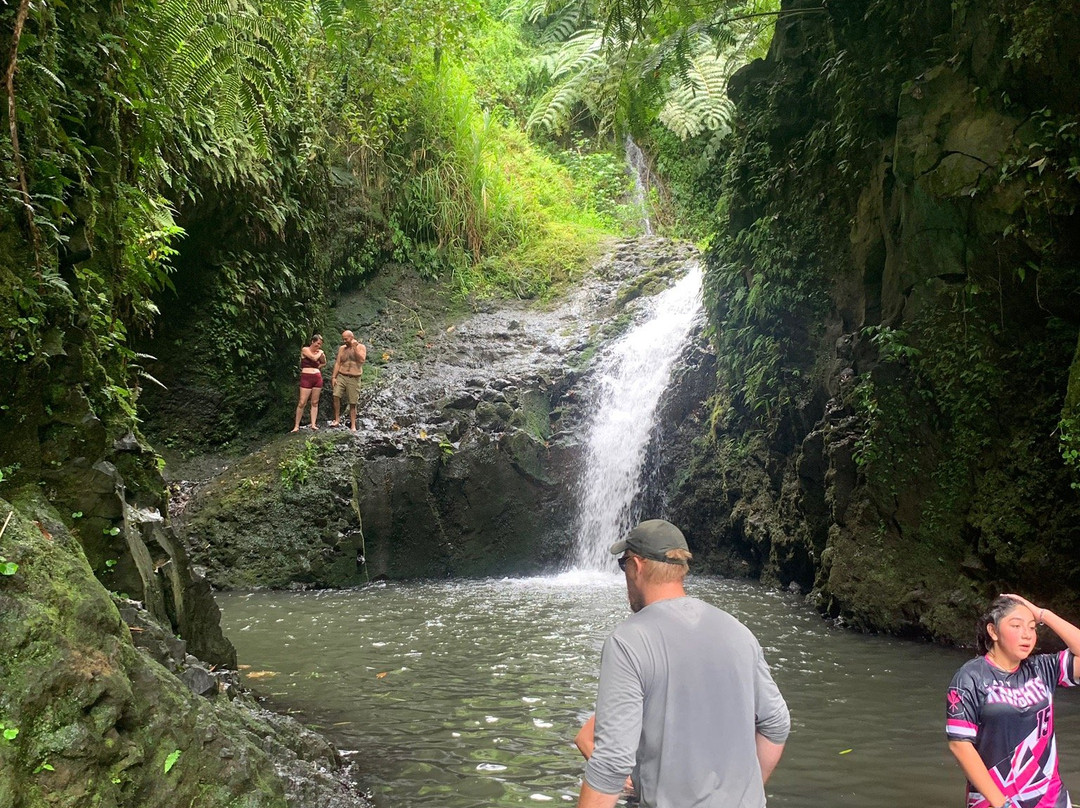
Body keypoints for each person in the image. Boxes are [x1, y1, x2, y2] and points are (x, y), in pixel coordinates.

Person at [576, 519, 790, 808]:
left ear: (637, 566)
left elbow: (612, 761)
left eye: (623, 564)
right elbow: (776, 724)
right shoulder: (738, 631)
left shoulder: (629, 641)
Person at [946, 594, 1080, 808]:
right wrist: (1001, 804)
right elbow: (959, 745)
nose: (1027, 635)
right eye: (1016, 626)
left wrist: (1042, 614)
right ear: (993, 631)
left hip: (1048, 796)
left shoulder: (1042, 668)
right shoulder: (970, 677)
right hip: (993, 800)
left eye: (1032, 627)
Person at [329, 329, 366, 431]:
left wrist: (354, 348)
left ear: (351, 337)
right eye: (343, 339)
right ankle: (337, 419)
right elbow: (338, 363)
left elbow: (361, 360)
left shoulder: (361, 347)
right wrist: (333, 377)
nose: (344, 341)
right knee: (336, 395)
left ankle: (353, 425)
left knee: (353, 402)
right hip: (342, 375)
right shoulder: (342, 349)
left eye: (346, 339)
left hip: (354, 377)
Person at [291, 334, 326, 433]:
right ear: (312, 342)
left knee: (315, 402)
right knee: (302, 402)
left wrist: (319, 364)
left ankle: (313, 424)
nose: (319, 346)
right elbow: (313, 358)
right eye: (317, 343)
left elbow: (324, 362)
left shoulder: (319, 352)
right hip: (306, 377)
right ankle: (296, 426)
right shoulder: (305, 349)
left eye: (320, 345)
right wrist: (321, 353)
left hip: (317, 378)